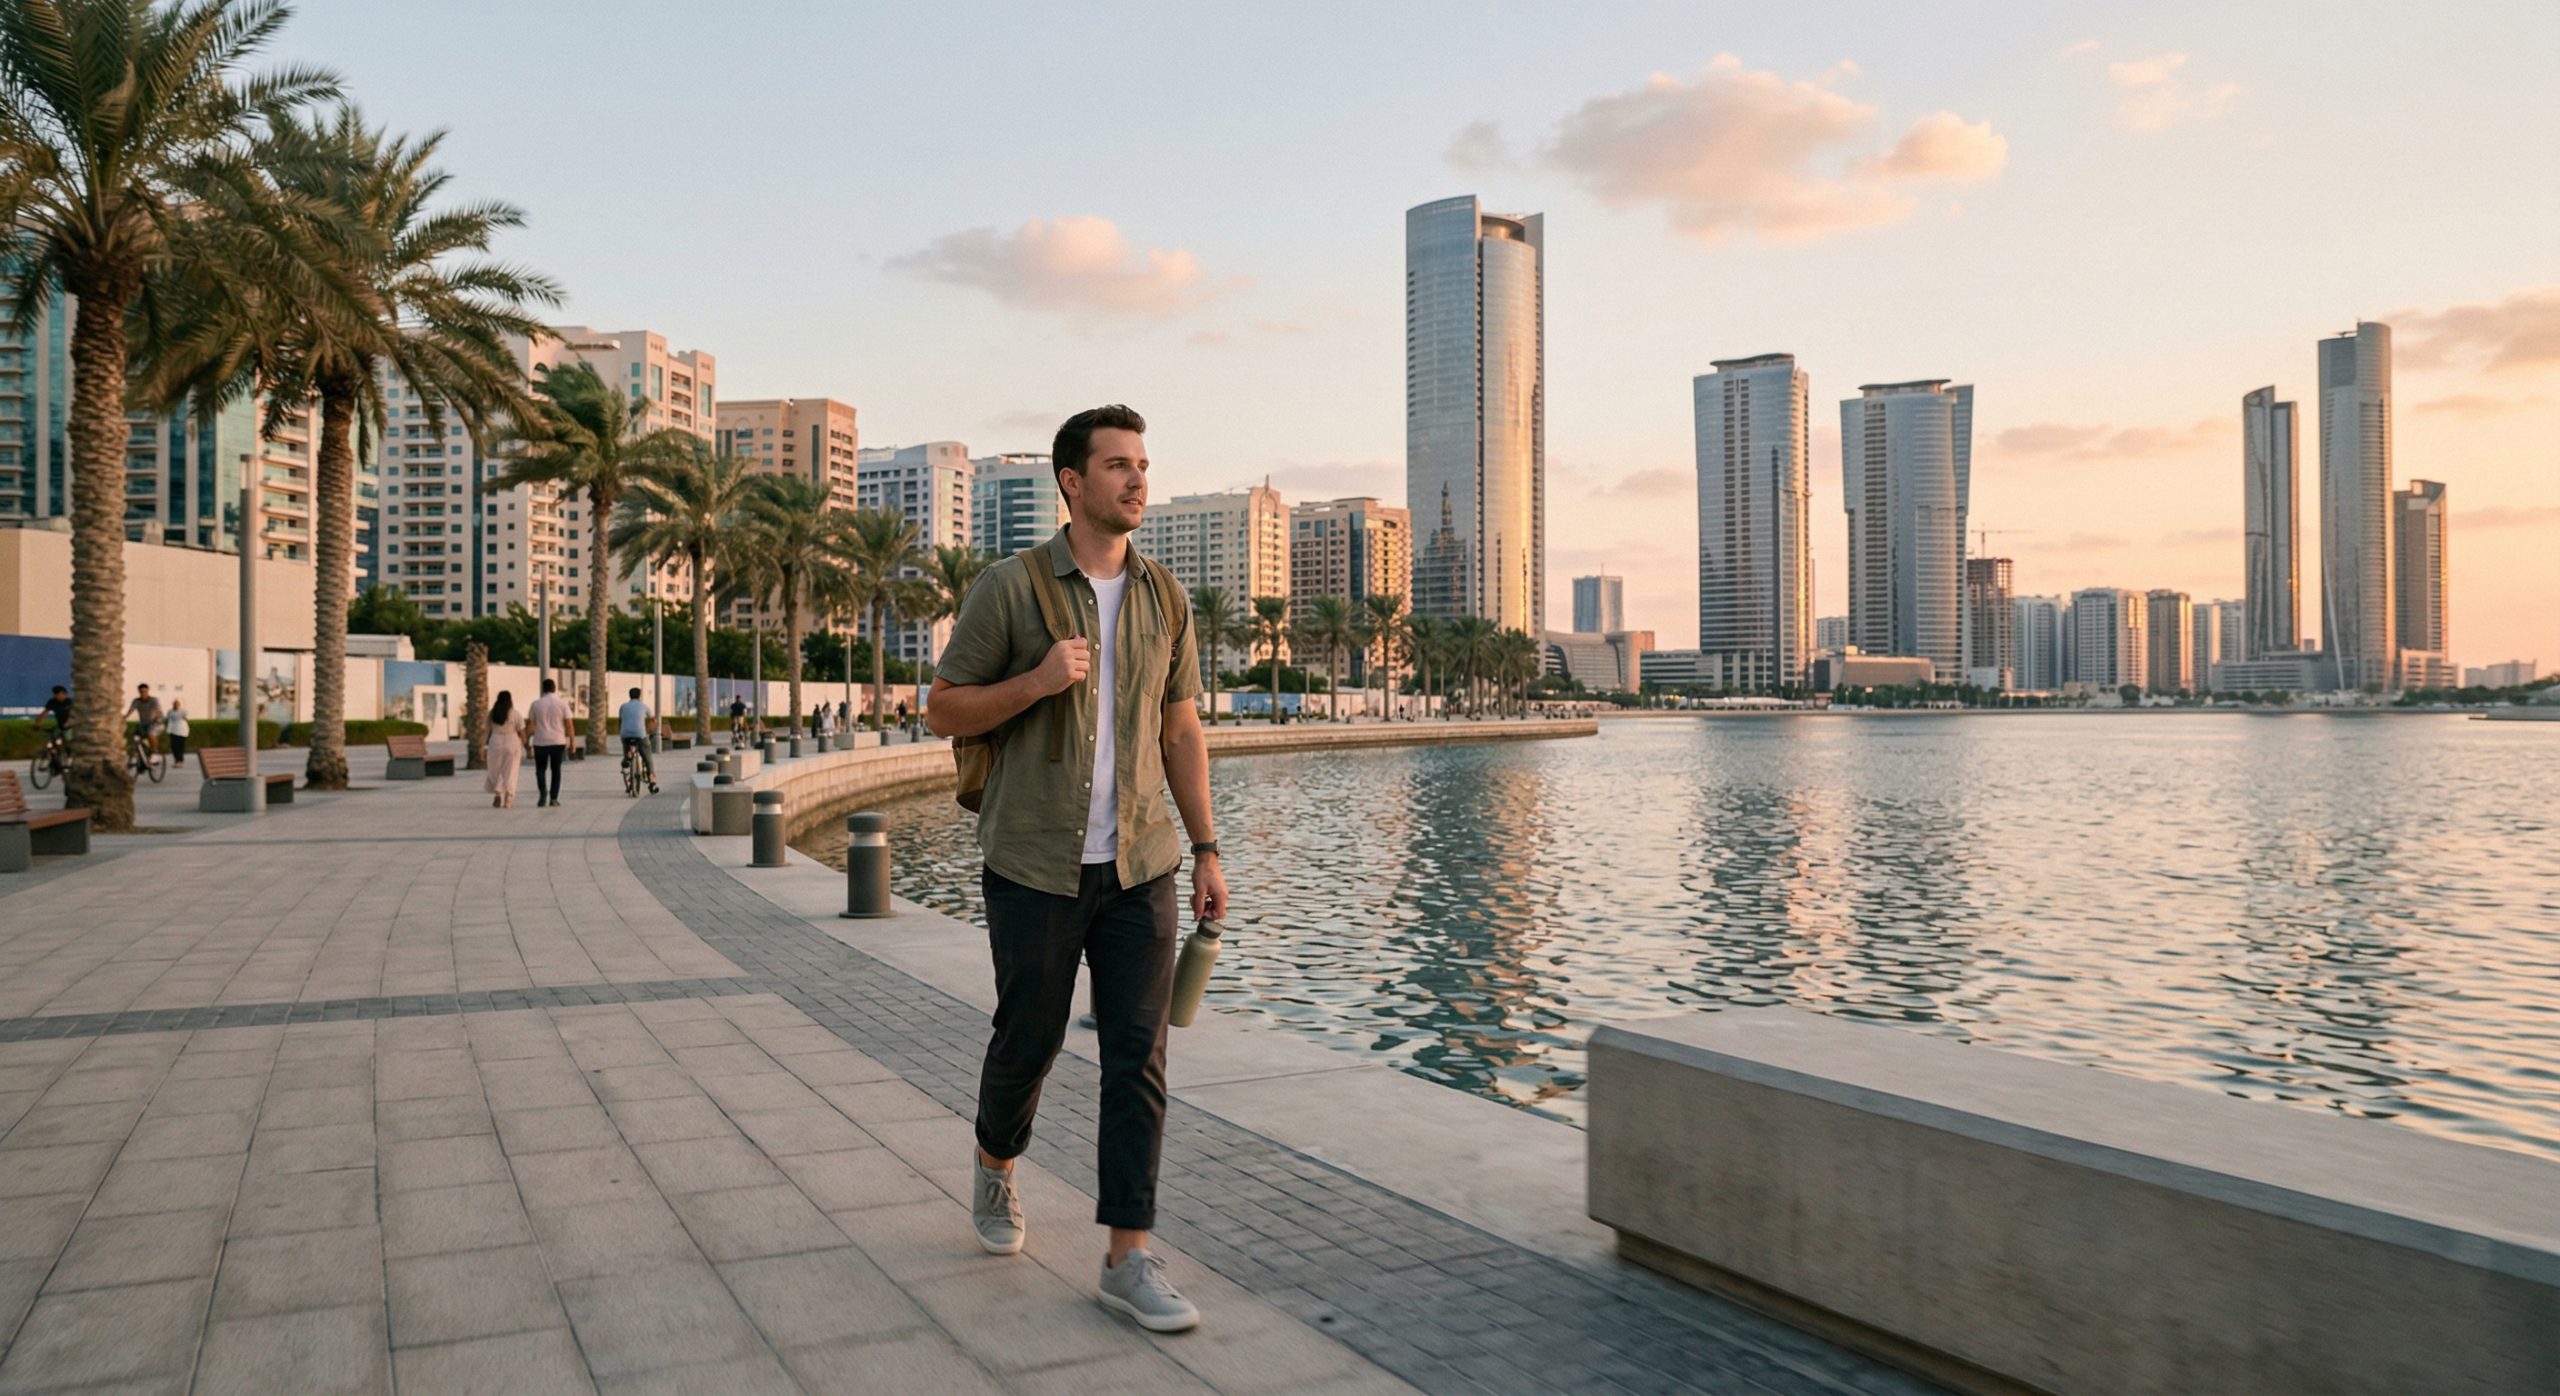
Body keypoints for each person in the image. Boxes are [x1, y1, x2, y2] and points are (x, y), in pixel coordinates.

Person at [927, 405, 1224, 1334]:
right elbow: (943, 709)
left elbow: (1181, 730)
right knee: (1031, 1038)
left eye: (1143, 464)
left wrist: (1207, 848)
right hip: (1034, 863)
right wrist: (1037, 682)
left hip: (1143, 865)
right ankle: (995, 1162)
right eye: (1118, 466)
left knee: (1140, 1057)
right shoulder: (1010, 589)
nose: (1138, 481)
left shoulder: (1164, 596)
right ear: (1071, 482)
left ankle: (1126, 1256)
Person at [527, 679, 571, 807]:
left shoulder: (535, 704)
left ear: (543, 689)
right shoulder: (562, 704)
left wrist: (527, 741)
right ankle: (554, 798)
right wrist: (572, 741)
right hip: (558, 741)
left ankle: (542, 793)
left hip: (540, 741)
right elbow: (569, 724)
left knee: (540, 769)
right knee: (556, 770)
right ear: (554, 688)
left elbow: (531, 725)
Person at [484, 691, 524, 808]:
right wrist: (525, 744)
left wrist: (483, 747)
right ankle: (508, 798)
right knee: (511, 771)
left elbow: (485, 731)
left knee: (497, 770)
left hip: (495, 742)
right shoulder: (515, 714)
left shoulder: (492, 713)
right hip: (512, 742)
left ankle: (498, 792)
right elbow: (522, 732)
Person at [617, 687, 659, 793]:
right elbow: (653, 720)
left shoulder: (623, 706)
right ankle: (652, 781)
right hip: (640, 735)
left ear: (629, 695)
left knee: (626, 745)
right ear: (639, 695)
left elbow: (620, 721)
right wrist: (653, 729)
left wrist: (622, 733)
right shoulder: (644, 706)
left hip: (625, 735)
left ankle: (627, 757)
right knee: (648, 756)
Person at [125, 683, 163, 756]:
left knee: (151, 733)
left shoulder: (153, 700)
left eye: (145, 692)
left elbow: (158, 711)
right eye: (141, 692)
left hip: (156, 723)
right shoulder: (137, 701)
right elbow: (131, 710)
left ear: (148, 691)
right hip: (143, 723)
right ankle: (143, 753)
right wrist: (124, 717)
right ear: (139, 692)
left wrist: (155, 719)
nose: (143, 694)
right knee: (134, 734)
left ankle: (155, 753)